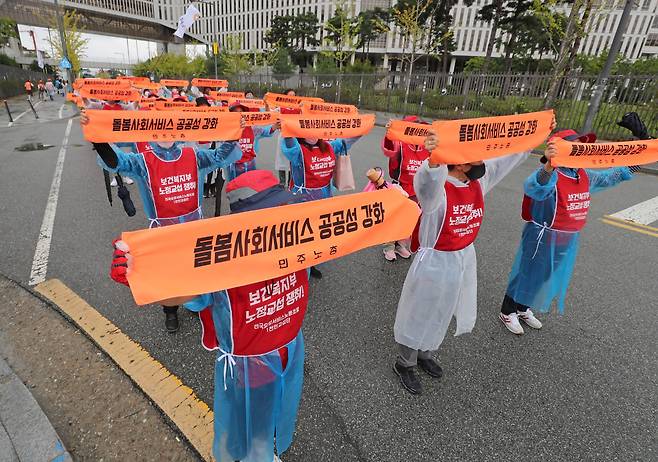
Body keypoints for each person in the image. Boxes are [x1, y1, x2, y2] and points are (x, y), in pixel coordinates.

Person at [110, 170, 307, 462]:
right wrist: (137, 275)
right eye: (274, 211)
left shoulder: (298, 243)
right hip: (253, 365)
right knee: (254, 424)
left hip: (291, 350)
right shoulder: (222, 261)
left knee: (281, 408)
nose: (282, 216)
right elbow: (180, 294)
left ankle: (265, 449)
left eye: (283, 208)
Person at [392, 117, 556, 395]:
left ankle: (426, 353)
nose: (482, 162)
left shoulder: (477, 182)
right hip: (434, 262)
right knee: (418, 312)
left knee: (442, 310)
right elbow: (426, 184)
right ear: (458, 162)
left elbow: (507, 158)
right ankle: (405, 362)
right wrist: (432, 160)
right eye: (473, 159)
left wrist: (535, 134)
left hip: (461, 260)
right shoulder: (438, 188)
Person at [80, 111, 242, 333]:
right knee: (167, 277)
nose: (165, 135)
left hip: (194, 230)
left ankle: (195, 303)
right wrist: (96, 135)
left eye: (170, 130)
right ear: (150, 133)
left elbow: (219, 156)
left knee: (196, 270)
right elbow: (115, 161)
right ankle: (171, 312)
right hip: (163, 235)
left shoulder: (192, 155)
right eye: (159, 130)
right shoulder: (143, 161)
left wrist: (235, 130)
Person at [499, 129, 641, 334]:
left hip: (566, 238)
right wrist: (549, 165)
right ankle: (508, 310)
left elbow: (613, 175)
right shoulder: (553, 174)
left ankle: (523, 307)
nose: (579, 150)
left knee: (544, 274)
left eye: (580, 146)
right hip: (542, 235)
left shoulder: (583, 174)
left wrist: (640, 151)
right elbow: (536, 186)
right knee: (527, 272)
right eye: (573, 146)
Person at [379, 115, 430, 261]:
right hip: (400, 187)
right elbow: (388, 150)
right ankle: (388, 246)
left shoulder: (427, 147)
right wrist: (390, 133)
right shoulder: (400, 144)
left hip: (418, 190)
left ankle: (401, 244)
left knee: (410, 219)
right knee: (394, 218)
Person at [225, 101, 279, 181]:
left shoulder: (252, 127)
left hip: (250, 163)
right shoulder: (226, 129)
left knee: (250, 187)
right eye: (235, 112)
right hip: (234, 165)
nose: (239, 114)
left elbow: (265, 131)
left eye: (241, 112)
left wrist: (274, 126)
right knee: (235, 189)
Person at [274, 89, 299, 186]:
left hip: (295, 138)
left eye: (294, 95)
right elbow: (270, 114)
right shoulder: (281, 109)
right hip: (283, 137)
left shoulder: (298, 109)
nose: (292, 97)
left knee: (292, 160)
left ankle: (291, 183)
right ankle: (282, 182)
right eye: (290, 95)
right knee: (281, 160)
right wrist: (266, 103)